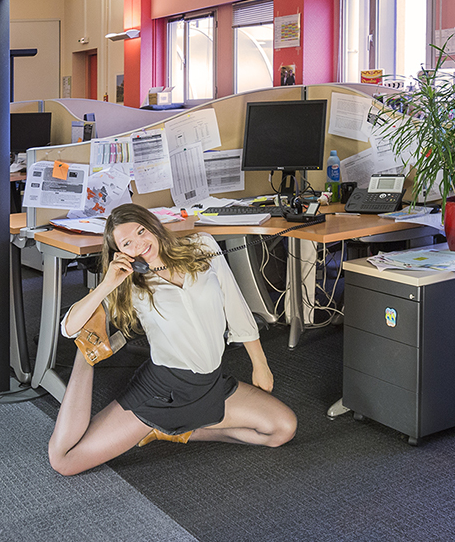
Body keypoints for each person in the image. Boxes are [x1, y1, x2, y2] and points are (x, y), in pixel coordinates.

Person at [48, 203, 297, 476]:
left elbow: (235, 304)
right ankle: (87, 357)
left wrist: (259, 363)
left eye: (142, 231)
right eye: (128, 243)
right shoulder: (130, 283)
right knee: (64, 461)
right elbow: (68, 327)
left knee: (282, 429)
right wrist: (107, 284)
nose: (140, 244)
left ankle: (173, 433)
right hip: (161, 393)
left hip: (209, 384)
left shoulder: (202, 246)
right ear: (120, 252)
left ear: (153, 225)